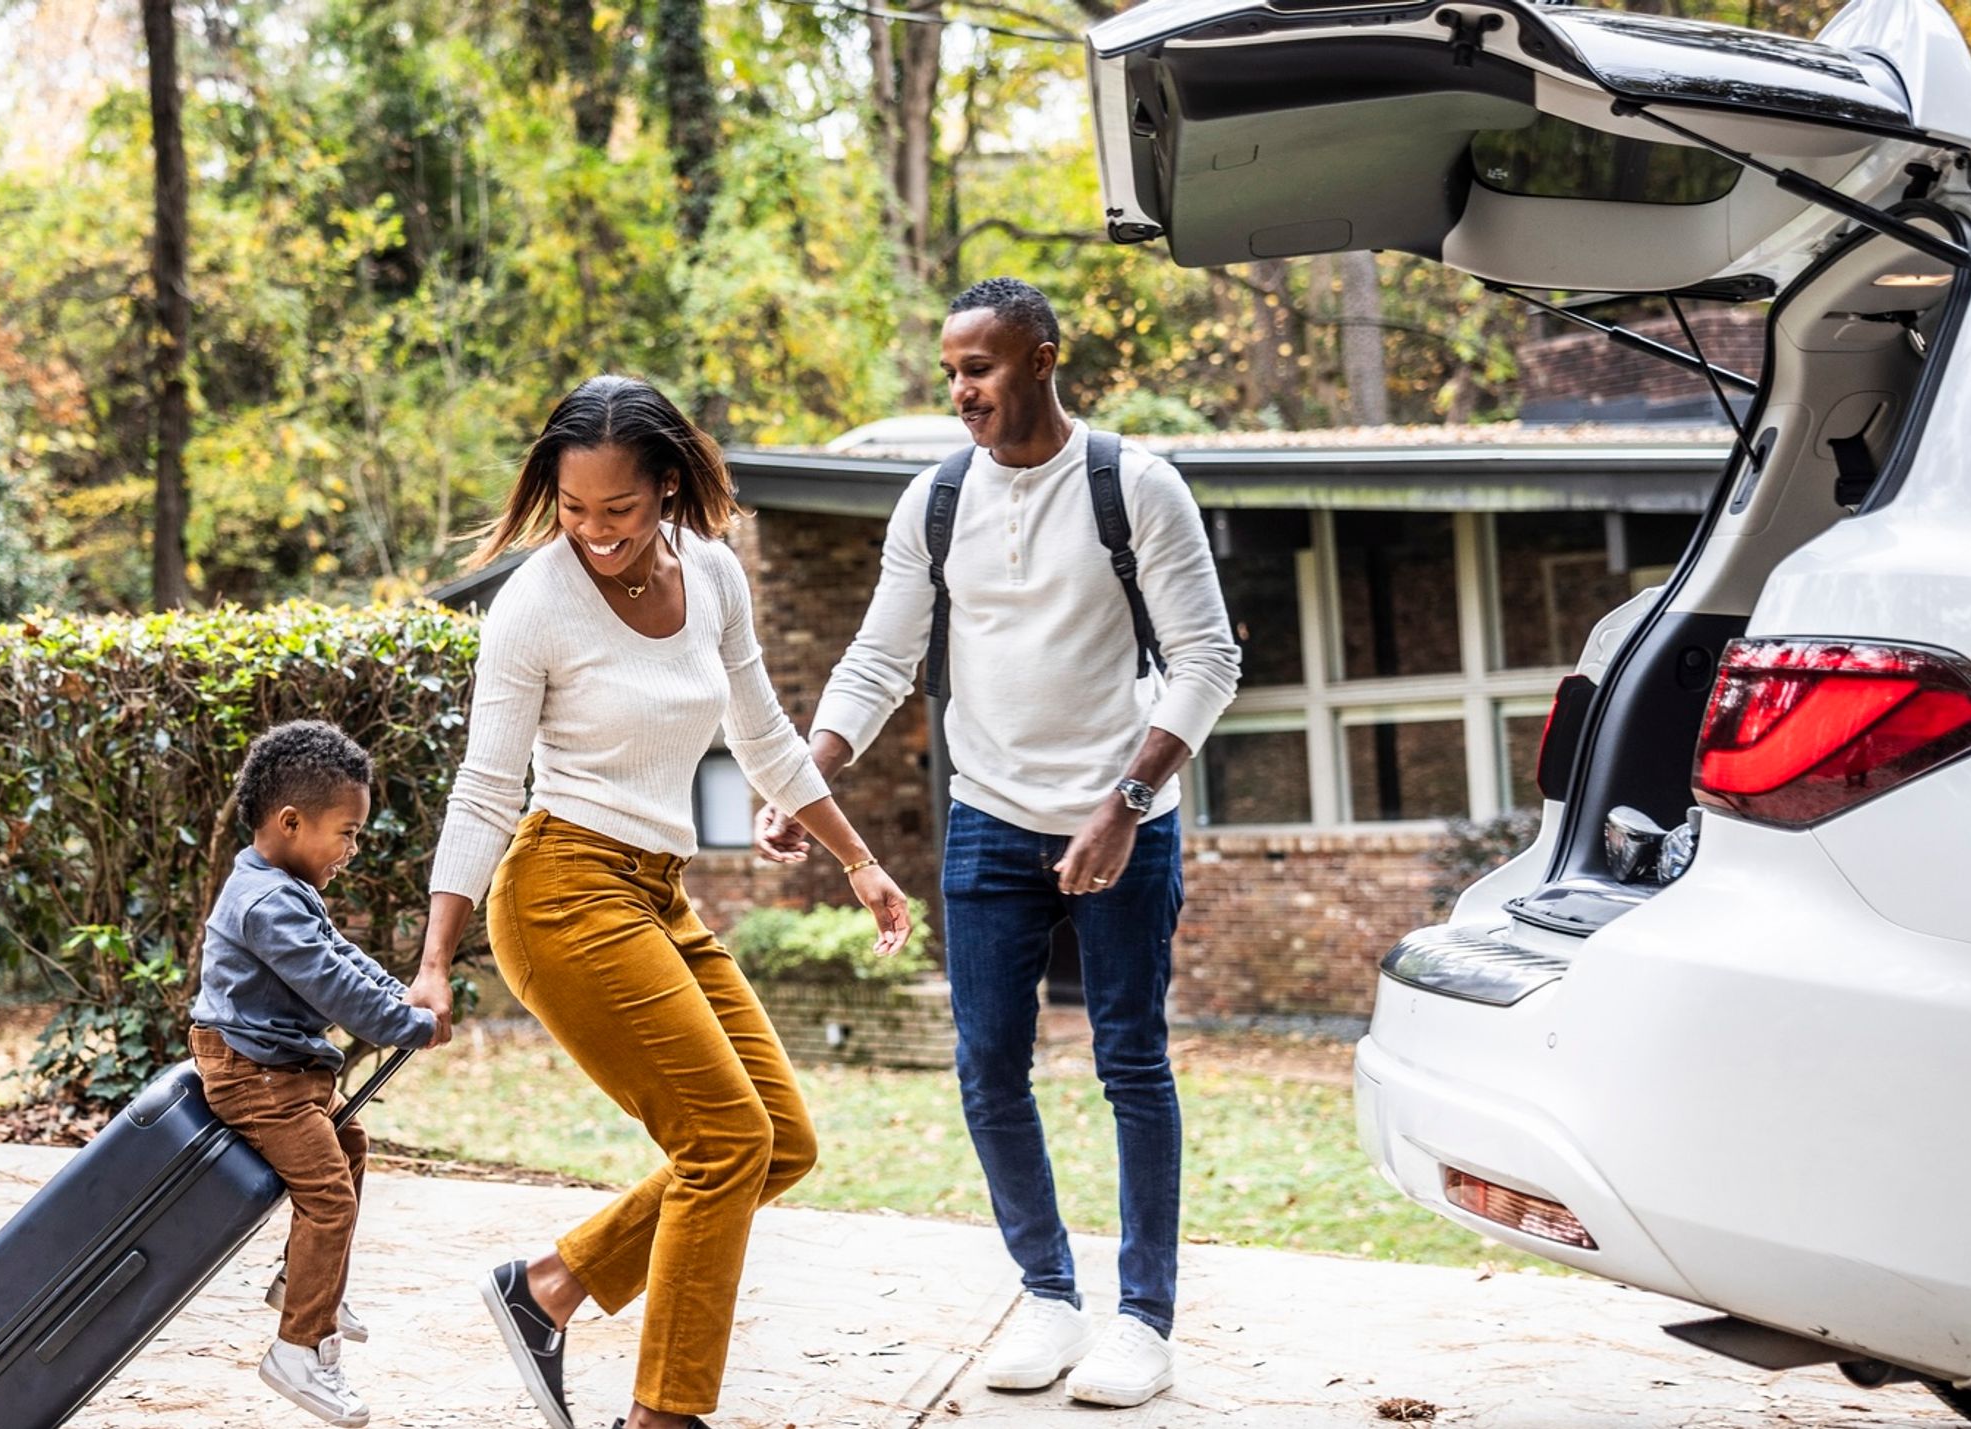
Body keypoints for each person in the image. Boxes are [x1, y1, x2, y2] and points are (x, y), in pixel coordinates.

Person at [759, 278, 1241, 1409]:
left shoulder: (1136, 487)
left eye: (978, 368)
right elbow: (879, 664)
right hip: (986, 818)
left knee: (1131, 1061)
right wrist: (805, 771)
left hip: (1125, 816)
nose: (961, 392)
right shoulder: (933, 504)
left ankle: (1144, 1319)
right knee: (986, 1068)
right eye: (950, 374)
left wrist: (1124, 801)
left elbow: (1209, 662)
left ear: (1041, 357)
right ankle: (1048, 1293)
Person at [406, 375, 913, 1429]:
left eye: (620, 511)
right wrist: (434, 957)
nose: (596, 533)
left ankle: (548, 1285)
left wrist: (858, 859)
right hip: (560, 893)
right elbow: (487, 786)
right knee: (725, 1142)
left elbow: (763, 732)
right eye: (575, 510)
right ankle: (665, 1417)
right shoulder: (533, 605)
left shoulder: (716, 574)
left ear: (670, 487)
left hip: (655, 893)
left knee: (781, 1139)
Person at [188, 720, 454, 1428]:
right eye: (348, 831)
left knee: (349, 1144)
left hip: (280, 1071)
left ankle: (307, 1286)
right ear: (290, 820)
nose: (353, 848)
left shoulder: (278, 886)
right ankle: (299, 1348)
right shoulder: (268, 902)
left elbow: (341, 956)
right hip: (255, 1076)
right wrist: (409, 1023)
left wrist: (401, 993)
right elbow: (330, 986)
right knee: (329, 1197)